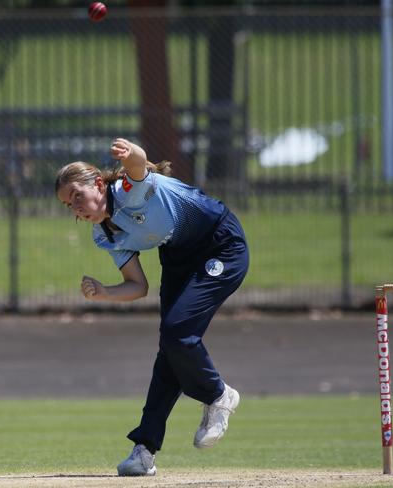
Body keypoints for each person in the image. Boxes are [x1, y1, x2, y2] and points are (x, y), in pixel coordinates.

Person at [55, 138, 249, 477]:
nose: (76, 208)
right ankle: (144, 451)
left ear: (98, 184)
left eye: (77, 197)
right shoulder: (104, 235)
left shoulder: (130, 189)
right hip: (178, 256)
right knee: (170, 349)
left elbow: (139, 163)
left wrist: (132, 153)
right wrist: (104, 293)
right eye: (68, 205)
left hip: (220, 243)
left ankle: (218, 394)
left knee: (177, 333)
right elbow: (137, 287)